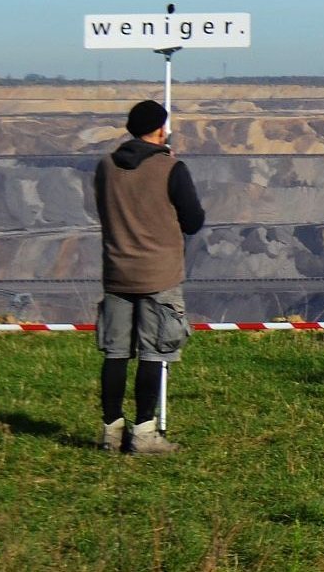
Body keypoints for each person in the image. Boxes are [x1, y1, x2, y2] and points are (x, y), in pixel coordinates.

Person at [94, 99, 204, 454]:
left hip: (116, 273)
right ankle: (143, 433)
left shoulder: (105, 167)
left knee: (115, 354)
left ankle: (111, 433)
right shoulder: (171, 169)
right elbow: (194, 221)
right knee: (154, 355)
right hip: (160, 275)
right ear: (161, 129)